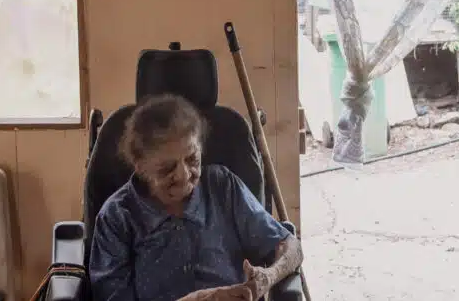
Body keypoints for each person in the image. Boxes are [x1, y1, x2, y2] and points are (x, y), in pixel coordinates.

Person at [89, 94, 303, 301]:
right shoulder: (117, 217)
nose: (183, 176)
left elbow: (291, 247)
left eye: (192, 159)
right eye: (167, 168)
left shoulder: (223, 186)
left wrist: (268, 277)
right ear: (141, 167)